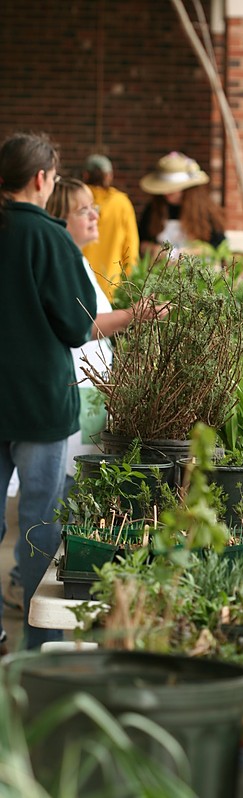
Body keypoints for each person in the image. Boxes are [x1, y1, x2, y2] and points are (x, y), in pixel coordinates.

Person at [0, 132, 97, 651]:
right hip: (40, 402)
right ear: (41, 179)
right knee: (41, 526)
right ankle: (40, 646)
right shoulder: (49, 237)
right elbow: (78, 326)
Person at [46, 177, 169, 487]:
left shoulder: (78, 262)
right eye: (83, 210)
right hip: (78, 384)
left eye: (94, 207)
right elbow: (83, 324)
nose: (94, 216)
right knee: (71, 479)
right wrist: (134, 315)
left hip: (89, 385)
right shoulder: (63, 264)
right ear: (60, 218)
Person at [138, 151, 225, 258]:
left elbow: (218, 247)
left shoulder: (205, 211)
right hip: (161, 271)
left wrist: (187, 253)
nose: (166, 192)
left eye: (172, 188)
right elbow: (141, 241)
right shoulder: (154, 209)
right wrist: (156, 251)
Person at [82, 154, 140, 302]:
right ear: (109, 176)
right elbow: (130, 246)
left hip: (79, 283)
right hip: (112, 287)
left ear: (85, 174)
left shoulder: (77, 200)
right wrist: (130, 280)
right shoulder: (122, 203)